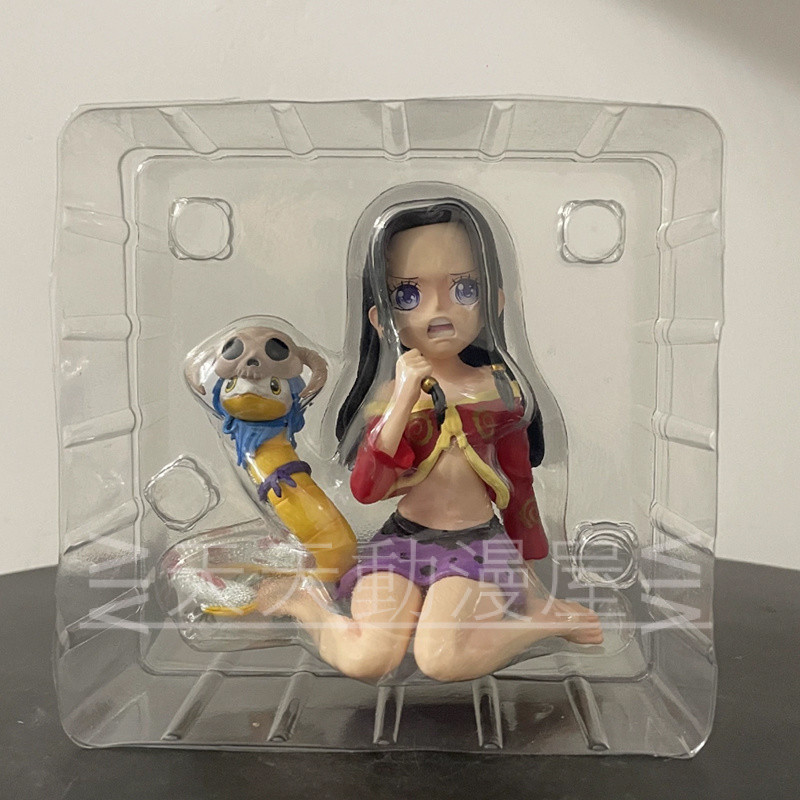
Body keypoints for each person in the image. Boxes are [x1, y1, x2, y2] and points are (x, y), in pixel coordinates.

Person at [256, 195, 602, 683]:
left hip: (477, 548)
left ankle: (543, 624)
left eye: (464, 289)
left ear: (495, 300)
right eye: (408, 295)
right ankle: (304, 604)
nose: (439, 310)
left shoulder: (500, 390)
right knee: (368, 659)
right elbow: (367, 489)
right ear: (381, 319)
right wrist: (402, 396)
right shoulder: (390, 399)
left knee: (442, 659)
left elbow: (519, 483)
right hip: (402, 541)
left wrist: (531, 585)